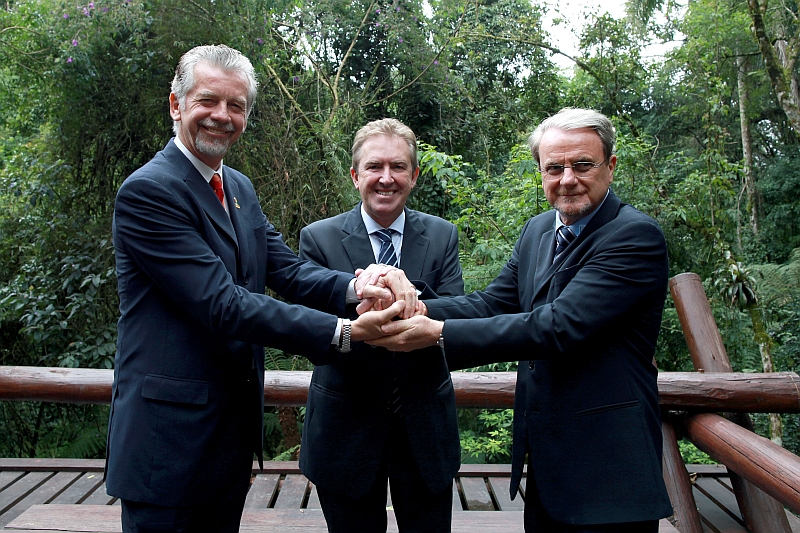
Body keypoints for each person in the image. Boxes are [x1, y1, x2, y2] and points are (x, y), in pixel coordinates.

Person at [106, 45, 412, 533]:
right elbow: (224, 304)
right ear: (176, 104)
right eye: (209, 100)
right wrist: (345, 333)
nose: (222, 116)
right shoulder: (150, 192)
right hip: (167, 447)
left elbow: (288, 270)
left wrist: (364, 282)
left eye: (237, 105)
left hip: (227, 442)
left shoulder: (238, 188)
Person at [371, 108, 673, 532]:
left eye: (582, 165)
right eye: (554, 168)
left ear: (611, 166)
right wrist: (407, 306)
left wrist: (437, 333)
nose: (567, 179)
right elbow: (492, 303)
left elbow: (557, 326)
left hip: (610, 468)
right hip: (548, 465)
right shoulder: (538, 231)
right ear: (541, 172)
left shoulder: (633, 235)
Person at [298, 118, 464, 533]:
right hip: (344, 431)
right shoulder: (318, 238)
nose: (386, 178)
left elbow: (454, 312)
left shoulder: (442, 235)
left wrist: (395, 295)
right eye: (374, 166)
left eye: (398, 167)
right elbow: (312, 328)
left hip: (425, 431)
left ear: (414, 175)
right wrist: (381, 302)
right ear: (355, 175)